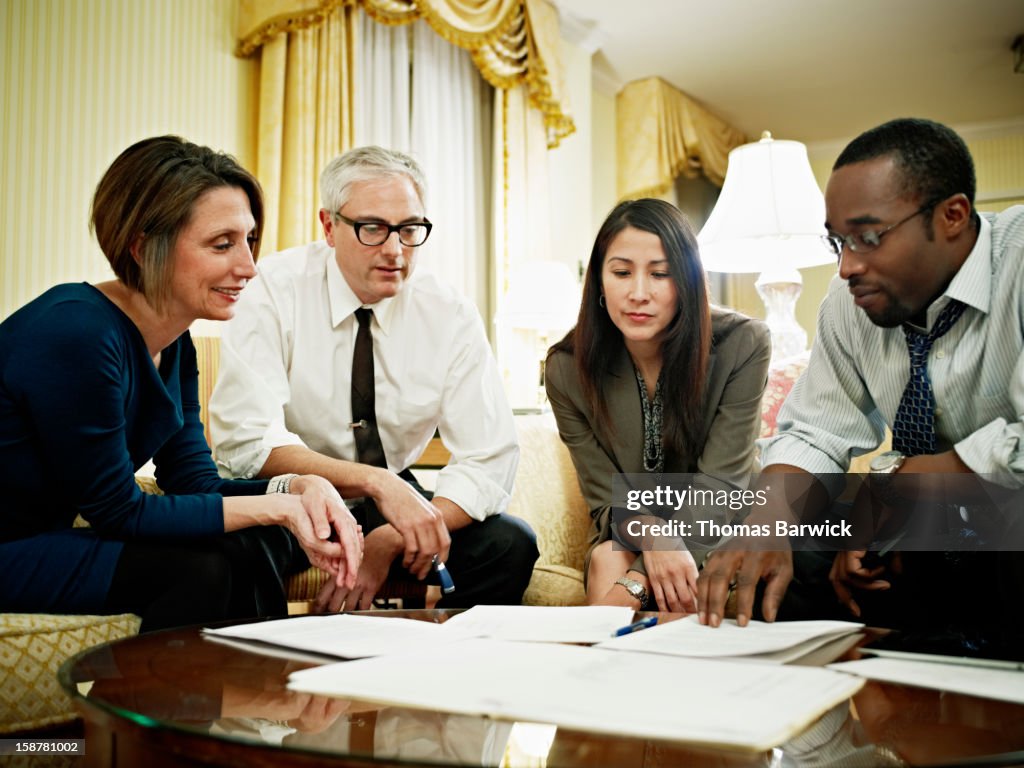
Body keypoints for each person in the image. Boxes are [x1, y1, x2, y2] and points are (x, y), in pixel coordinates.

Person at [0, 136, 362, 631]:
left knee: (245, 543)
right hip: (9, 547)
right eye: (222, 244)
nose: (249, 268)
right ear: (145, 245)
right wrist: (279, 506)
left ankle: (263, 699)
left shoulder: (175, 343)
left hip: (39, 539)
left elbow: (195, 482)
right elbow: (119, 513)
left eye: (249, 241)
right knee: (199, 570)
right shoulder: (77, 331)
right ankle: (153, 709)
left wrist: (298, 485)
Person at [697, 118, 1024, 631]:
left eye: (869, 237)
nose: (847, 266)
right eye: (838, 243)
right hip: (920, 534)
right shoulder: (848, 303)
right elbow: (815, 432)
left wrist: (897, 485)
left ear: (953, 216)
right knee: (786, 549)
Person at [210, 145, 538, 610]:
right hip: (297, 491)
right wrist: (377, 484)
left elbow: (491, 456)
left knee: (510, 545)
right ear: (328, 226)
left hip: (392, 495)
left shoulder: (449, 312)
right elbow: (247, 444)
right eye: (372, 229)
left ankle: (436, 673)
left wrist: (389, 536)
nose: (394, 250)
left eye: (409, 230)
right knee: (235, 552)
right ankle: (273, 677)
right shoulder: (271, 289)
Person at [545, 198, 771, 612]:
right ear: (598, 279)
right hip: (631, 528)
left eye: (660, 274)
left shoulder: (743, 344)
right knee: (605, 556)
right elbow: (605, 499)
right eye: (621, 272)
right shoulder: (566, 368)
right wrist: (652, 536)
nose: (638, 293)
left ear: (686, 281)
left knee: (671, 577)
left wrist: (641, 578)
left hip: (720, 519)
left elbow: (722, 484)